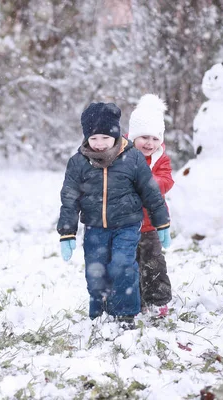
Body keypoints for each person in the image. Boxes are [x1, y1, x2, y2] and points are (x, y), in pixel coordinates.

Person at [57, 102, 171, 329]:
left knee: (122, 266)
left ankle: (126, 314)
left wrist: (162, 223)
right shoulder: (78, 162)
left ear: (116, 135)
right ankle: (100, 312)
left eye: (105, 138)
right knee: (95, 271)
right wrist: (67, 232)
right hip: (94, 227)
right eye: (94, 138)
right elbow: (69, 199)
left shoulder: (132, 158)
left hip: (127, 225)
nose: (99, 144)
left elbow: (150, 192)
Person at [127, 94, 174, 317]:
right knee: (128, 266)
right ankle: (134, 300)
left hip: (150, 224)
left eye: (155, 139)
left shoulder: (160, 159)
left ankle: (158, 300)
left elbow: (167, 179)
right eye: (144, 137)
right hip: (124, 224)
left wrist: (149, 183)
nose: (149, 143)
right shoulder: (122, 156)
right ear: (133, 136)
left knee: (154, 263)